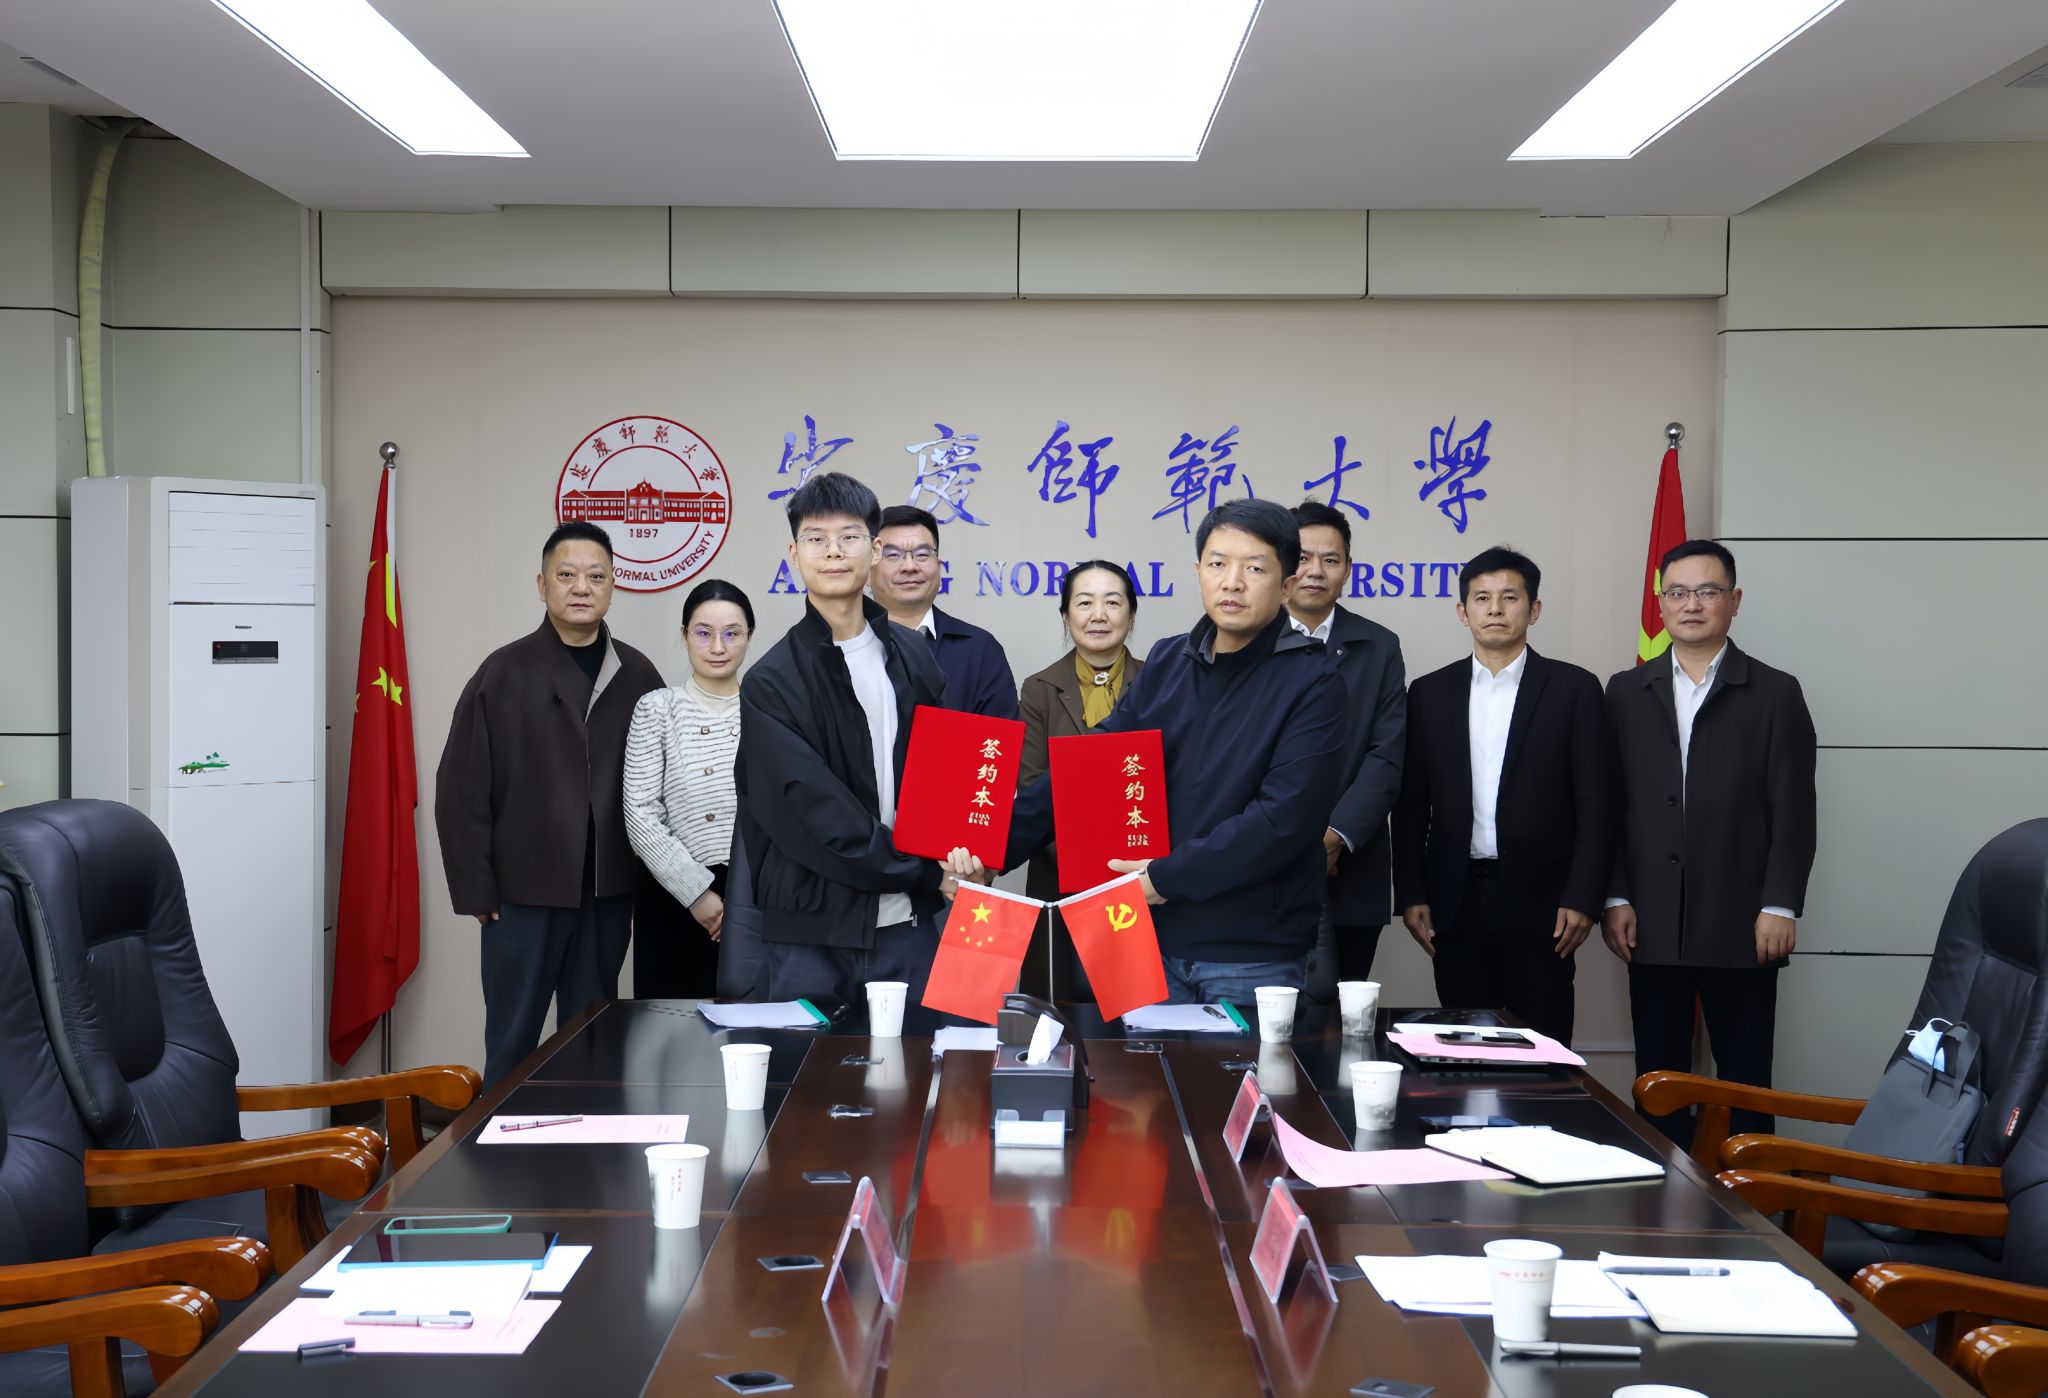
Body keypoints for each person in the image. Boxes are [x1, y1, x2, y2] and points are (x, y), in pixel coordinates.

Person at [998, 498, 1347, 1005]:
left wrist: (1163, 877)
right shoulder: (1168, 661)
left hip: (1247, 950)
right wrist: (994, 848)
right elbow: (1090, 768)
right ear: (1199, 571)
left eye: (1254, 568)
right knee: (1139, 1061)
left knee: (1237, 1063)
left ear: (1287, 584)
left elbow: (1282, 821)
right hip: (1144, 937)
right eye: (1218, 564)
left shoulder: (1314, 682)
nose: (1232, 582)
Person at [732, 472, 979, 1009]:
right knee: (811, 1066)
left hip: (908, 927)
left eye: (849, 536)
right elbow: (815, 814)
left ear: (874, 550)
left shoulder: (913, 657)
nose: (833, 551)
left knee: (917, 1062)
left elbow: (942, 776)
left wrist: (961, 847)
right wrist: (925, 872)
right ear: (794, 555)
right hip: (813, 936)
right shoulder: (771, 682)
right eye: (816, 538)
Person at [435, 520, 665, 1086]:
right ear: (542, 586)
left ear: (613, 586)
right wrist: (475, 887)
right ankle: (498, 1142)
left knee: (593, 1041)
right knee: (512, 1041)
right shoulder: (502, 672)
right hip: (520, 895)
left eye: (596, 576)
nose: (581, 587)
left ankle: (586, 1141)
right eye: (566, 575)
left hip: (606, 893)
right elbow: (460, 787)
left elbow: (662, 785)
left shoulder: (638, 674)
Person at [1603, 539, 1817, 1143]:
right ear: (1661, 603)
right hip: (1649, 917)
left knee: (1746, 1081)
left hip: (1744, 920)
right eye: (1677, 592)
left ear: (1734, 600)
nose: (1691, 604)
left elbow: (1795, 810)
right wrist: (1615, 895)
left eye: (1707, 591)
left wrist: (1780, 905)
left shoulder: (1775, 692)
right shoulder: (1625, 690)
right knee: (1659, 1080)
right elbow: (1608, 806)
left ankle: (1755, 1194)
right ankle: (1662, 1195)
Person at [1392, 546, 1614, 1044]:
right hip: (1456, 900)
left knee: (1543, 1045)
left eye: (1510, 597)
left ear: (1534, 609)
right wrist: (1411, 893)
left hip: (1546, 905)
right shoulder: (1429, 693)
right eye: (1482, 598)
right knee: (1464, 1047)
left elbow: (1597, 805)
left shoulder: (1575, 689)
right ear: (1462, 611)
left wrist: (1583, 897)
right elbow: (1410, 806)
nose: (1495, 609)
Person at [1289, 500, 1407, 990]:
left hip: (1351, 871)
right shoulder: (1245, 640)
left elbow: (1386, 755)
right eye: (1302, 558)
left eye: (1330, 560)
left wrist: (1334, 838)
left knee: (1345, 1017)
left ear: (1348, 570)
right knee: (1263, 1015)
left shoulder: (1378, 646)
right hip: (1260, 872)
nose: (1315, 571)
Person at [1016, 561, 1146, 1001]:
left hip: (1142, 883)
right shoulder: (1038, 689)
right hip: (1057, 883)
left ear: (1131, 615)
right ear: (1065, 616)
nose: (1099, 615)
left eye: (1113, 602)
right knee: (1056, 1012)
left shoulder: (1161, 684)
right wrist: (1085, 863)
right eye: (1085, 603)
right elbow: (1032, 788)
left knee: (1133, 1014)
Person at [622, 579, 754, 1000]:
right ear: (684, 636)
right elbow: (640, 813)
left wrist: (747, 899)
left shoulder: (768, 709)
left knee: (751, 1025)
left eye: (732, 633)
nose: (717, 646)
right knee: (672, 1028)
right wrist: (697, 894)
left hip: (752, 897)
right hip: (674, 894)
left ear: (749, 637)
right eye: (703, 632)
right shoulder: (657, 708)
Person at [869, 503, 1018, 719]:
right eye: (892, 555)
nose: (909, 566)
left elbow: (997, 736)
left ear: (939, 569)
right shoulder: (839, 645)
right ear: (867, 572)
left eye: (922, 554)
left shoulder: (979, 650)